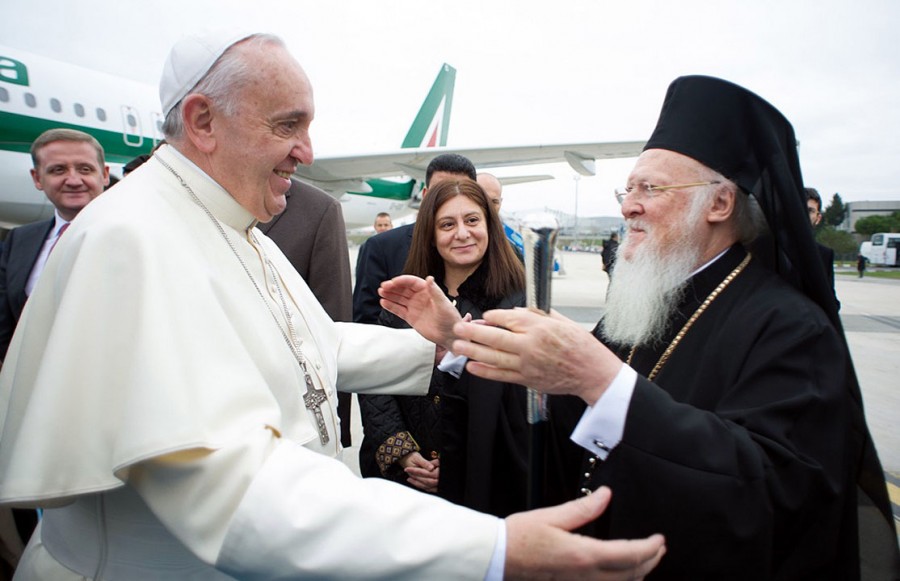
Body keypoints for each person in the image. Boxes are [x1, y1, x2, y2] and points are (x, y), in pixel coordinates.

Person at [0, 31, 666, 580]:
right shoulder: (134, 238)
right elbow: (239, 491)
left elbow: (312, 344)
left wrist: (436, 342)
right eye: (287, 125)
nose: (308, 152)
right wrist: (490, 549)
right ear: (202, 120)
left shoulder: (222, 224)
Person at [381, 75, 898, 579]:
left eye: (650, 188)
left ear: (720, 203)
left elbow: (774, 492)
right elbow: (556, 419)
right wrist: (458, 342)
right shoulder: (646, 305)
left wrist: (602, 380)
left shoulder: (793, 329)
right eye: (627, 188)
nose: (629, 205)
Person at [359, 179, 529, 517]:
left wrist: (456, 464)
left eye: (472, 221)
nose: (462, 233)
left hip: (481, 483)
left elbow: (518, 405)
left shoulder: (519, 303)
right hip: (405, 478)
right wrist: (404, 453)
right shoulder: (410, 295)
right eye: (447, 224)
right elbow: (376, 381)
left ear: (489, 226)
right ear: (431, 235)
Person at [258, 178, 355, 447]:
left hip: (291, 430)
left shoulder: (318, 209)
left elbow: (332, 321)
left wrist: (338, 423)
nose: (305, 153)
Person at [0, 128, 108, 362]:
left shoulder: (141, 236)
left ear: (105, 174)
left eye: (85, 169)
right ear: (37, 178)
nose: (73, 180)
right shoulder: (19, 240)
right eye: (58, 170)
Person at [353, 153, 477, 324]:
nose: (451, 199)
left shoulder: (496, 251)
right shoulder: (382, 248)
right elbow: (365, 325)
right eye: (440, 192)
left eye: (461, 191)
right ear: (425, 196)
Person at [805, 187, 839, 309]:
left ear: (818, 218)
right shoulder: (769, 248)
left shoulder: (824, 254)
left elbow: (831, 300)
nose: (804, 214)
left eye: (810, 210)